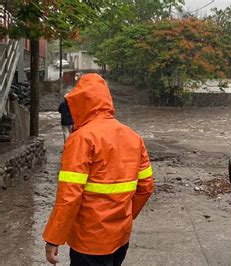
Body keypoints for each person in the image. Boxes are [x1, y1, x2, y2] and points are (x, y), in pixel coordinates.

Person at [43, 73, 154, 265]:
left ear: (79, 103)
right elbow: (146, 187)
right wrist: (123, 216)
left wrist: (54, 238)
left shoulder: (80, 139)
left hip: (89, 240)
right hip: (120, 236)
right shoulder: (133, 137)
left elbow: (69, 196)